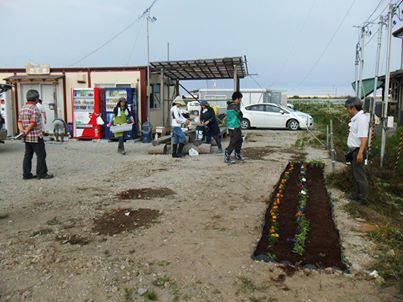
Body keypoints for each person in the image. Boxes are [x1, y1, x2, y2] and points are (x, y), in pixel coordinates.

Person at [18, 89, 53, 180]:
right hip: (35, 136)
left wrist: (22, 131)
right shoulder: (35, 109)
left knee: (28, 155)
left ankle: (26, 174)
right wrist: (27, 130)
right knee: (41, 155)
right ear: (36, 99)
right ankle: (41, 174)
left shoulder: (23, 108)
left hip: (26, 137)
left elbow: (19, 121)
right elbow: (33, 122)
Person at [345, 97, 370, 204]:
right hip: (354, 151)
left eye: (348, 108)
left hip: (358, 151)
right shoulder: (356, 118)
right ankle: (358, 195)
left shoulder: (361, 119)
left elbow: (364, 137)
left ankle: (363, 199)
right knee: (356, 174)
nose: (347, 111)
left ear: (353, 107)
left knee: (360, 175)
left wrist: (360, 153)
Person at [224, 91, 244, 164]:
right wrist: (240, 115)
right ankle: (227, 155)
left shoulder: (230, 105)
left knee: (239, 140)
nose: (240, 101)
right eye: (240, 99)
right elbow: (240, 114)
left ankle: (237, 154)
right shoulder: (234, 106)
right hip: (234, 126)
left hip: (234, 126)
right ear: (237, 98)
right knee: (234, 141)